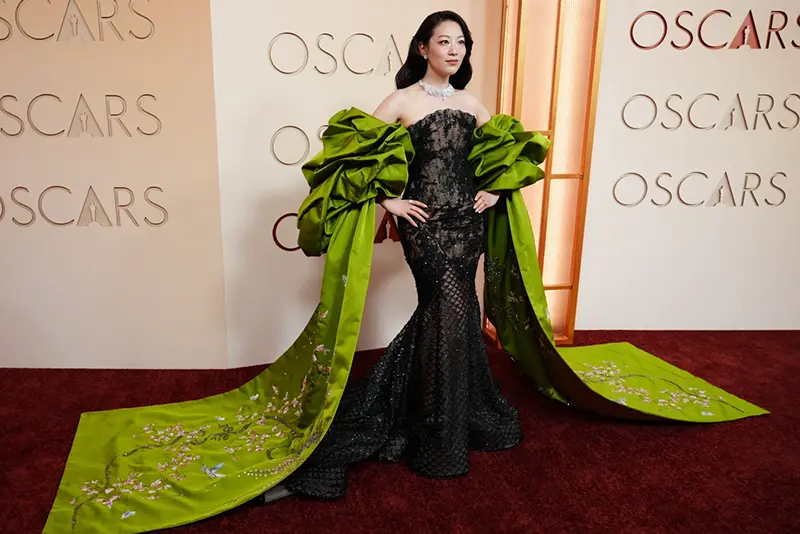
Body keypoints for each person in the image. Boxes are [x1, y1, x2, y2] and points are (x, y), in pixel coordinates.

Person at [42, 11, 767, 534]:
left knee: (449, 316)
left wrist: (495, 190)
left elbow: (505, 161)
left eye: (462, 42)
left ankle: (444, 418)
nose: (455, 49)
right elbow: (343, 160)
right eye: (444, 40)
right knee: (446, 308)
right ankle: (413, 432)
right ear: (423, 46)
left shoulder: (477, 104)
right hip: (426, 230)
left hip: (466, 224)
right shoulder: (401, 102)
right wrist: (390, 196)